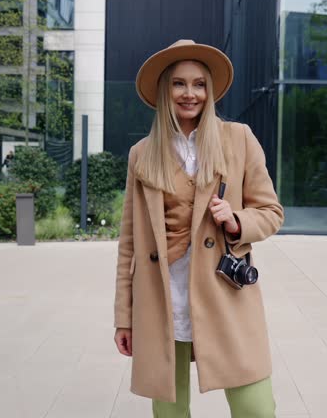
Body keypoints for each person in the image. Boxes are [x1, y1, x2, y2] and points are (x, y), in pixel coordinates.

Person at [113, 39, 284, 417]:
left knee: (256, 408)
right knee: (169, 411)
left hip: (225, 294)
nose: (190, 94)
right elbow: (129, 243)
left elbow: (271, 211)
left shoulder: (238, 139)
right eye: (178, 83)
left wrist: (236, 220)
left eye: (199, 84)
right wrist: (124, 318)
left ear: (209, 89)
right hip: (161, 300)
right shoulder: (142, 153)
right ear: (164, 90)